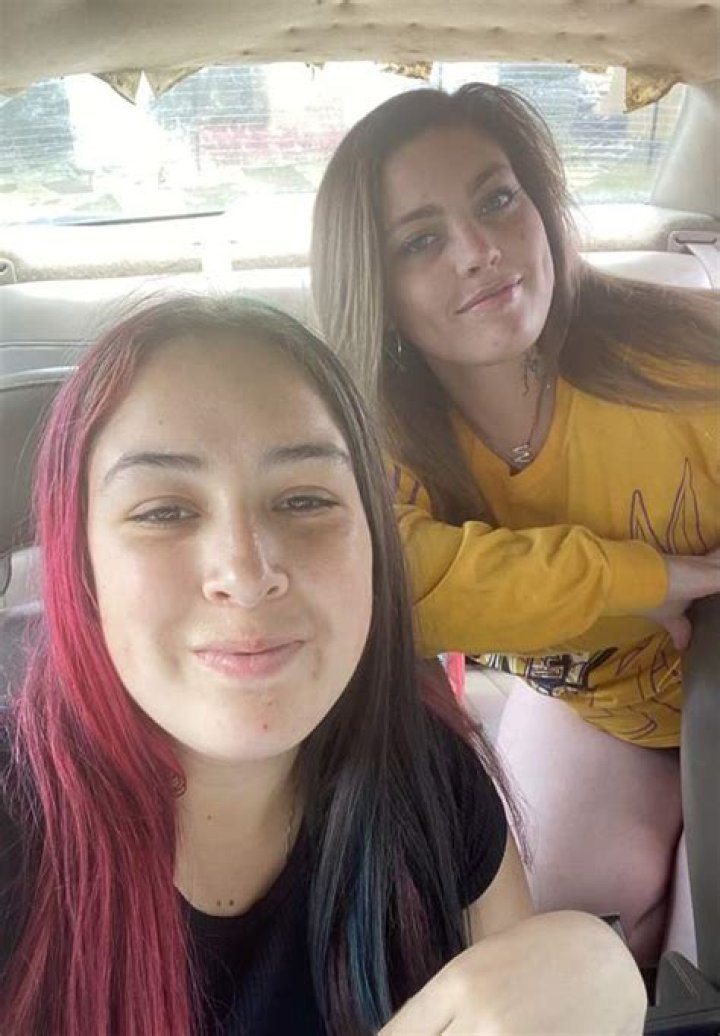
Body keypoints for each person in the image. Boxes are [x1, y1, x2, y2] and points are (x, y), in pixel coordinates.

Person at [0, 295, 645, 1035]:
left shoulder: (430, 786)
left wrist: (586, 975)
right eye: (164, 512)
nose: (246, 574)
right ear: (80, 563)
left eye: (305, 500)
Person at [311, 83, 720, 963]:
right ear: (375, 285)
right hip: (593, 707)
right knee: (566, 941)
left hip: (710, 690)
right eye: (421, 240)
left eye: (498, 200)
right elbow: (395, 584)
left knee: (705, 945)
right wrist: (647, 578)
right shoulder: (378, 435)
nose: (480, 251)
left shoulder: (684, 363)